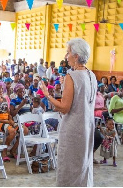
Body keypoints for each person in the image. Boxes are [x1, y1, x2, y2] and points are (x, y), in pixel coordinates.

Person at [40, 38, 97, 186]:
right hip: (87, 127)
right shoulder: (92, 75)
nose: (66, 56)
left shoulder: (72, 76)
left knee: (69, 167)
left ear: (76, 56)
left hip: (73, 129)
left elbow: (65, 108)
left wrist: (47, 95)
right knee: (84, 164)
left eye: (68, 53)